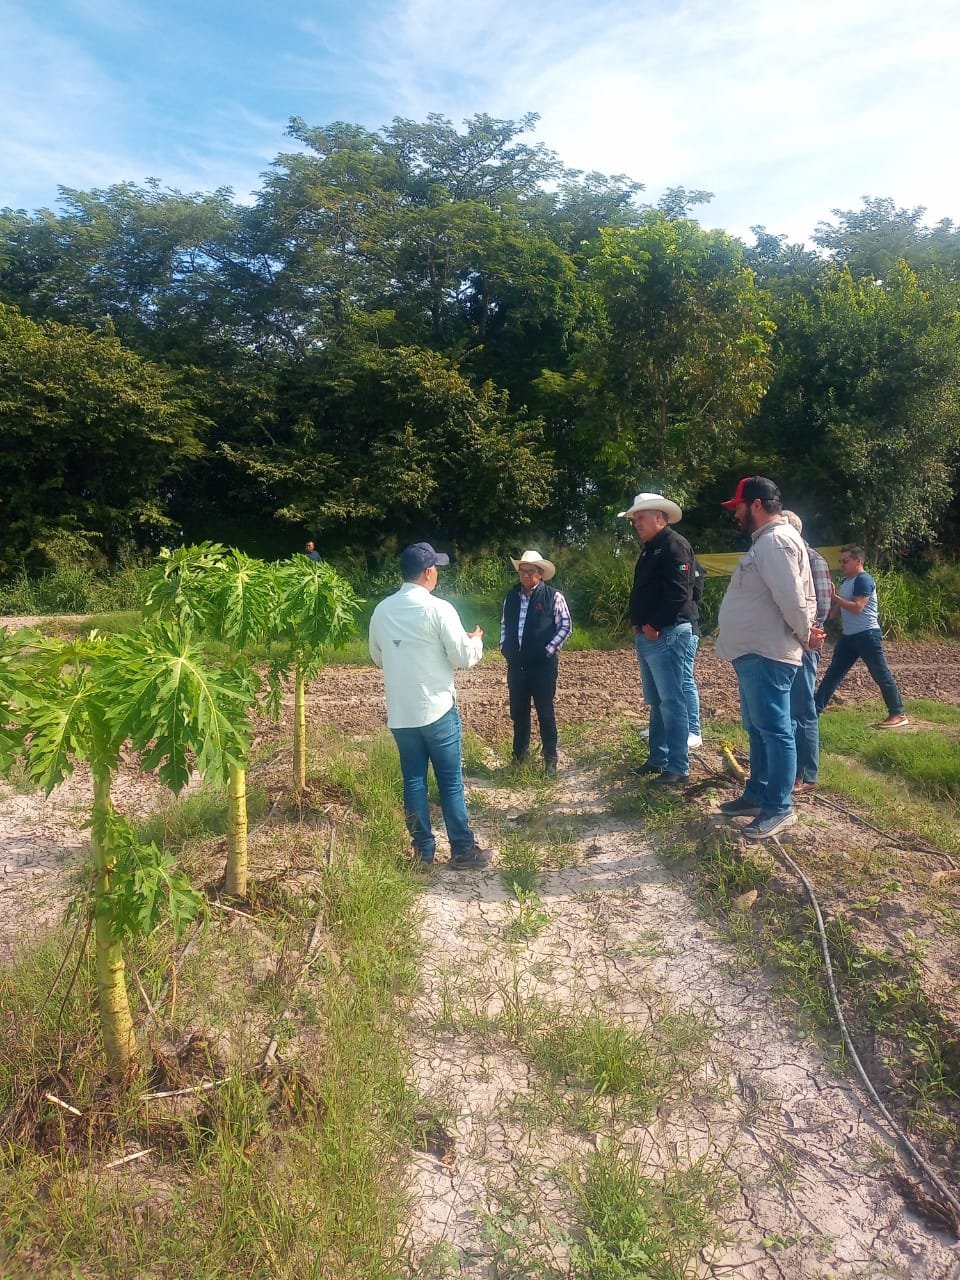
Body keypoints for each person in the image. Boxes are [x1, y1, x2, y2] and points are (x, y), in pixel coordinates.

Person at [368, 542, 491, 870]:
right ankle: (463, 851)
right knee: (450, 780)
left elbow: (378, 656)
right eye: (435, 567)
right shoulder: (439, 609)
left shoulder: (381, 610)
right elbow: (463, 658)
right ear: (427, 572)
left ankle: (423, 852)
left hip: (401, 712)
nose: (436, 572)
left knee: (414, 780)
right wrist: (475, 640)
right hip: (437, 709)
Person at [715, 477, 822, 840]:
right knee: (760, 730)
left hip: (768, 653)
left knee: (775, 730)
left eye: (739, 507)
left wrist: (806, 635)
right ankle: (757, 795)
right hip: (755, 653)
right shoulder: (768, 542)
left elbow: (791, 598)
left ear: (756, 504)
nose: (736, 514)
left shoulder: (776, 541)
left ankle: (779, 807)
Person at [620, 492, 698, 786]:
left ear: (659, 517)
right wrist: (639, 624)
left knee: (671, 701)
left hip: (666, 633)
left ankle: (678, 767)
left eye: (640, 517)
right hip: (651, 634)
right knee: (658, 701)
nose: (636, 522)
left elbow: (680, 593)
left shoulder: (674, 545)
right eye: (635, 518)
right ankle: (658, 759)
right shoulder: (652, 547)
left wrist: (653, 624)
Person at [814, 545, 908, 729]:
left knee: (880, 674)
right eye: (841, 561)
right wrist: (817, 617)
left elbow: (858, 607)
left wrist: (835, 597)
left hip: (867, 635)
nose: (842, 564)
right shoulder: (846, 582)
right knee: (833, 674)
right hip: (849, 637)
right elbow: (836, 612)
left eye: (846, 561)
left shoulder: (864, 580)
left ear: (859, 561)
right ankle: (814, 711)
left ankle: (898, 713)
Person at [500, 549, 572, 777]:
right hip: (516, 666)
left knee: (545, 713)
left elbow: (565, 626)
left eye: (530, 572)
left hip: (543, 666)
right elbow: (504, 625)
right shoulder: (511, 597)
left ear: (540, 574)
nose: (525, 576)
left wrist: (548, 650)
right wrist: (504, 647)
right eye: (522, 571)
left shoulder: (553, 597)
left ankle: (550, 762)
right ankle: (519, 759)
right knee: (518, 714)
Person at [783, 511, 833, 793]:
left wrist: (805, 635)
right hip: (786, 644)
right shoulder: (789, 559)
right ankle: (792, 771)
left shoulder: (813, 560)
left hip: (805, 646)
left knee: (803, 710)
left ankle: (806, 774)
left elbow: (822, 608)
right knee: (789, 710)